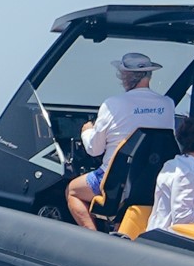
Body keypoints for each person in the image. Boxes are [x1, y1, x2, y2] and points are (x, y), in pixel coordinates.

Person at [66, 52, 176, 228]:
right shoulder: (168, 104)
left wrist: (87, 131)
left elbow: (94, 150)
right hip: (152, 179)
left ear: (126, 77)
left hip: (116, 181)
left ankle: (92, 237)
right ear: (149, 75)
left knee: (72, 190)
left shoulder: (113, 104)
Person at [147, 118, 194, 231]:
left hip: (155, 230)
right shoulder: (189, 171)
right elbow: (182, 216)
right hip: (168, 235)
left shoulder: (172, 164)